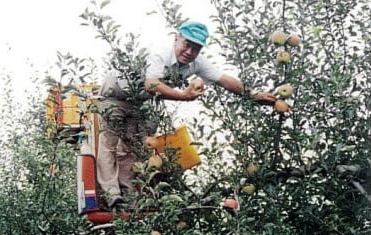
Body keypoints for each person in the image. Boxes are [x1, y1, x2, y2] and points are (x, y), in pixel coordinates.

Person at [95, 21, 277, 209]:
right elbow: (152, 85)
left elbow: (224, 80)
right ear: (176, 39)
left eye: (196, 48)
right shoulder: (159, 53)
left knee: (132, 149)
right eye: (187, 44)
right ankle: (112, 196)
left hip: (139, 101)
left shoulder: (196, 63)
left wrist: (254, 95)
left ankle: (129, 198)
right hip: (115, 95)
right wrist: (183, 96)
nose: (190, 51)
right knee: (109, 145)